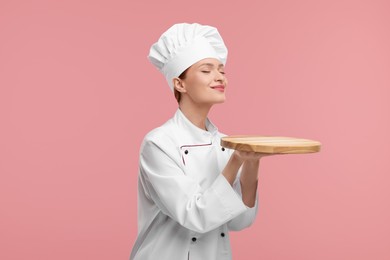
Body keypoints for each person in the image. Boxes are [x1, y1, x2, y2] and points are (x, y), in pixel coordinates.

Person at [130, 23, 268, 260]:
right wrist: (237, 160)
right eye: (207, 70)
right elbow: (195, 216)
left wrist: (252, 162)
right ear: (180, 84)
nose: (219, 78)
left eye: (222, 71)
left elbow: (239, 220)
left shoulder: (226, 142)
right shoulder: (159, 144)